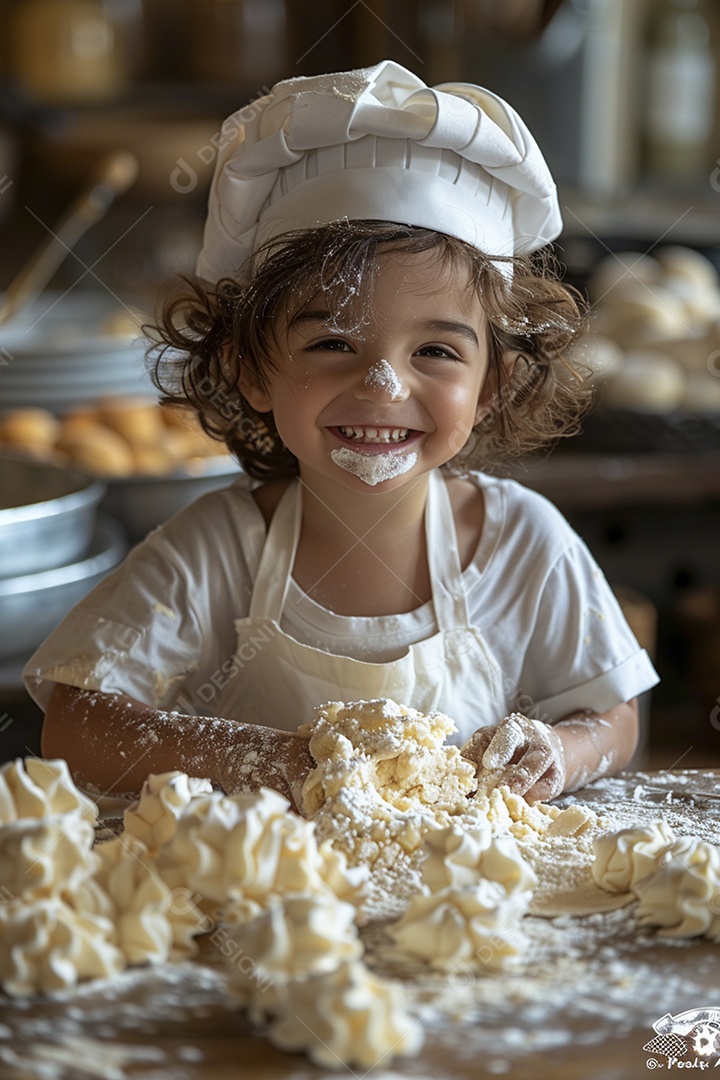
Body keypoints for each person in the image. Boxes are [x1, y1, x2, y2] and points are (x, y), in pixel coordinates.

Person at [25, 60, 658, 808]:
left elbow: (615, 715)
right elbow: (74, 725)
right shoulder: (215, 554)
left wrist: (563, 748)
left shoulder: (523, 547)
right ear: (250, 368)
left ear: (492, 386)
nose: (383, 386)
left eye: (435, 352)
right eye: (332, 344)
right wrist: (267, 758)